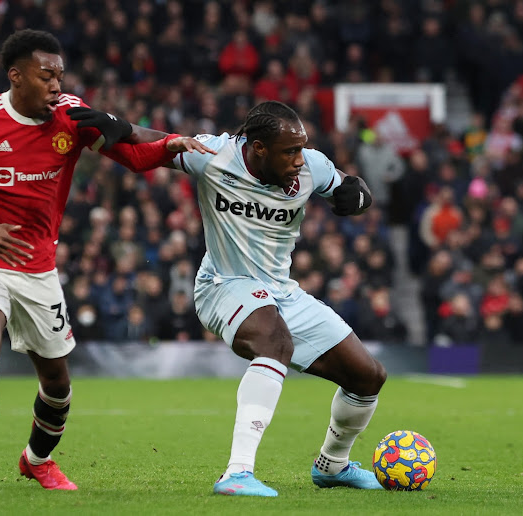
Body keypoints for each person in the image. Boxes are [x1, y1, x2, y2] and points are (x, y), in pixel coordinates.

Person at [0, 29, 212, 491]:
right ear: (16, 77)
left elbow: (131, 154)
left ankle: (36, 460)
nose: (56, 84)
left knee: (57, 385)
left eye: (60, 74)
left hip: (37, 266)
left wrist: (172, 144)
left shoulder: (70, 117)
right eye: (45, 75)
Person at [71, 100, 386, 497]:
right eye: (289, 151)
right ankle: (237, 473)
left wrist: (357, 195)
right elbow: (159, 143)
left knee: (367, 376)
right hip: (223, 283)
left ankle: (332, 464)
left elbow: (347, 186)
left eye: (301, 148)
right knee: (275, 343)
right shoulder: (215, 155)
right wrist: (119, 126)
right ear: (258, 148)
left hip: (281, 290)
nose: (298, 159)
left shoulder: (311, 166)